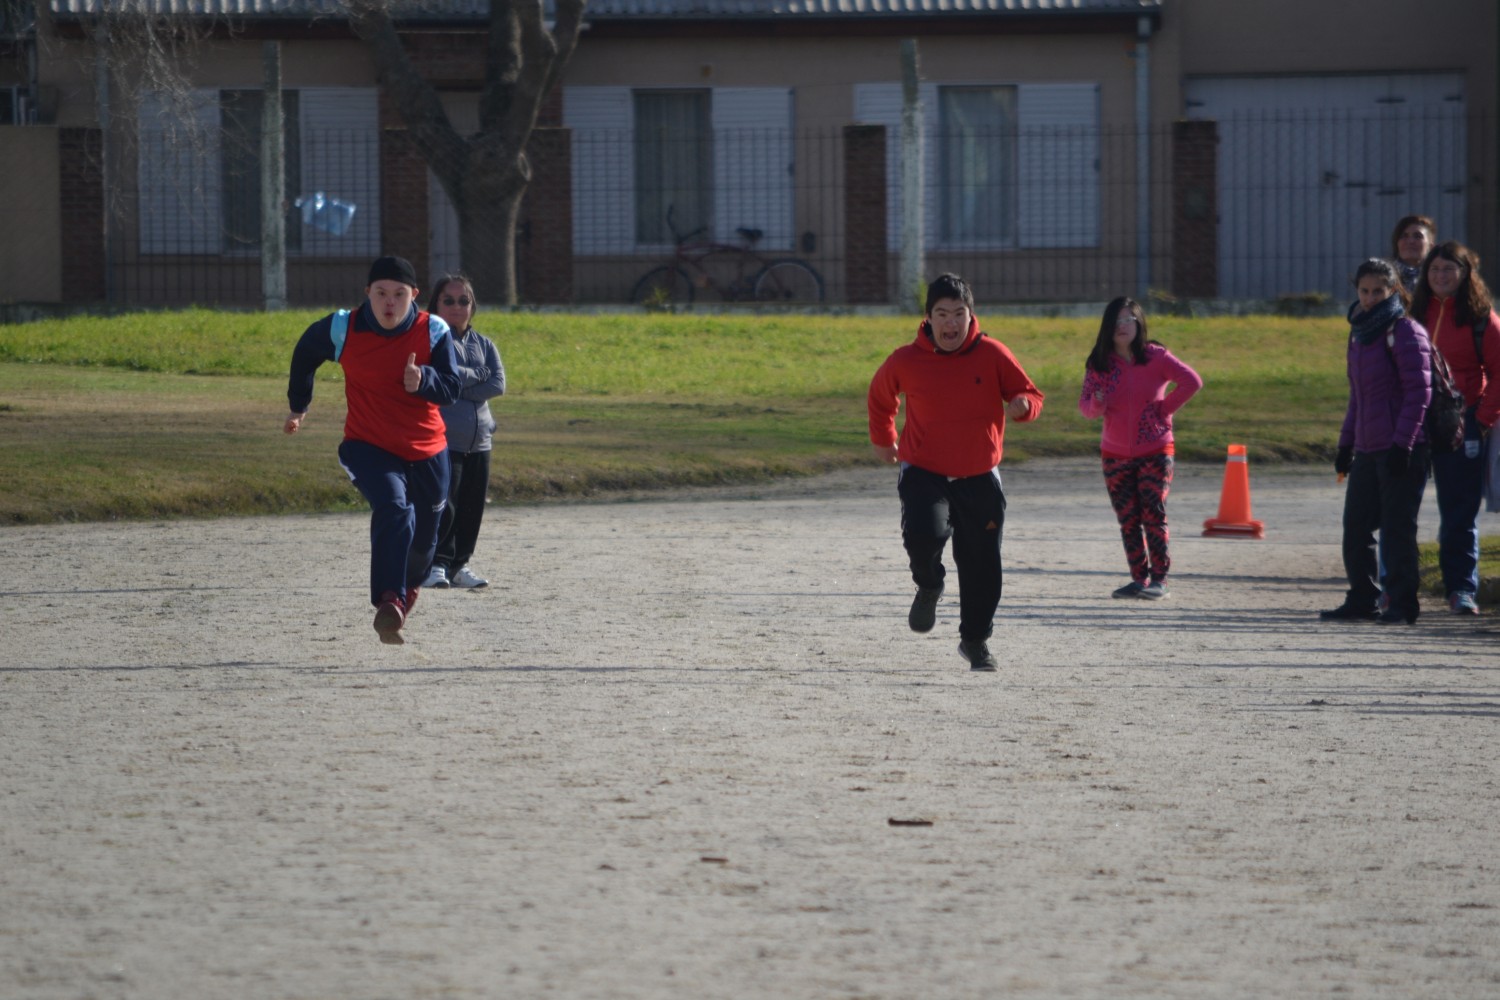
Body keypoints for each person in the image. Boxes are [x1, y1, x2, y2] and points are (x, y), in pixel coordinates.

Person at [867, 273, 1045, 672]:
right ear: (928, 318)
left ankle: (975, 640)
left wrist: (1022, 406)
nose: (950, 324)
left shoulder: (994, 354)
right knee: (923, 535)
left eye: (958, 314)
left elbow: (1031, 394)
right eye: (942, 314)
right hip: (924, 469)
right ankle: (929, 585)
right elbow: (880, 397)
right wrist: (884, 439)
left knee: (982, 563)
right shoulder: (905, 360)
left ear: (971, 315)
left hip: (979, 472)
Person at [284, 255, 462, 644]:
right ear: (368, 293)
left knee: (423, 545)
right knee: (395, 508)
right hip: (368, 445)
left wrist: (424, 379)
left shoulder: (432, 329)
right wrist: (299, 405)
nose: (389, 303)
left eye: (399, 294)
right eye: (381, 293)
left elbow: (451, 388)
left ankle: (402, 599)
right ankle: (388, 599)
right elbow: (304, 353)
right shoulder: (343, 327)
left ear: (414, 295)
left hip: (428, 450)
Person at [1321, 257, 1432, 626]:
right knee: (1355, 527)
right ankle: (1362, 598)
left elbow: (1419, 393)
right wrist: (1345, 445)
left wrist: (1404, 444)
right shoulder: (1359, 333)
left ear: (1394, 290)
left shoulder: (1404, 331)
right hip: (1368, 448)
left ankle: (1402, 604)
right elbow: (1359, 397)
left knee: (1398, 529)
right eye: (1364, 291)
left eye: (1378, 291)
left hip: (1402, 448)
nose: (1370, 298)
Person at [1078, 297, 1203, 601]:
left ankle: (1160, 579)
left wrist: (1164, 409)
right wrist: (1098, 402)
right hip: (1115, 453)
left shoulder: (1156, 357)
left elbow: (1192, 381)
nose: (1122, 327)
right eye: (1116, 321)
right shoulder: (1099, 363)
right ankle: (1139, 579)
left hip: (1156, 449)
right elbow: (1087, 409)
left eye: (1128, 320)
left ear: (1138, 323)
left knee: (1152, 511)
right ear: (1107, 328)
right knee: (1128, 517)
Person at [1410, 241, 1500, 615]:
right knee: (1399, 509)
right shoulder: (1412, 315)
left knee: (1459, 512)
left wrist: (1481, 420)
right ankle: (1395, 589)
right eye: (1435, 269)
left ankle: (1461, 589)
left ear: (1465, 274)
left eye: (1449, 269)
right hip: (1414, 421)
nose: (1441, 276)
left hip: (1464, 422)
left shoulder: (1483, 319)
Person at [421, 274, 506, 591]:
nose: (457, 307)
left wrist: (457, 386)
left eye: (464, 300)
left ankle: (459, 565)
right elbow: (440, 377)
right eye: (449, 300)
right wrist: (473, 378)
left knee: (472, 506)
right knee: (447, 505)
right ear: (436, 305)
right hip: (445, 440)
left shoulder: (484, 343)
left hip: (480, 440)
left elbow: (497, 384)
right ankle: (436, 564)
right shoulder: (429, 340)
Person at [1390, 215, 1437, 294]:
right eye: (1404, 236)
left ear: (1431, 246)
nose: (1411, 241)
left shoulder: (1439, 278)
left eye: (1418, 236)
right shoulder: (1383, 276)